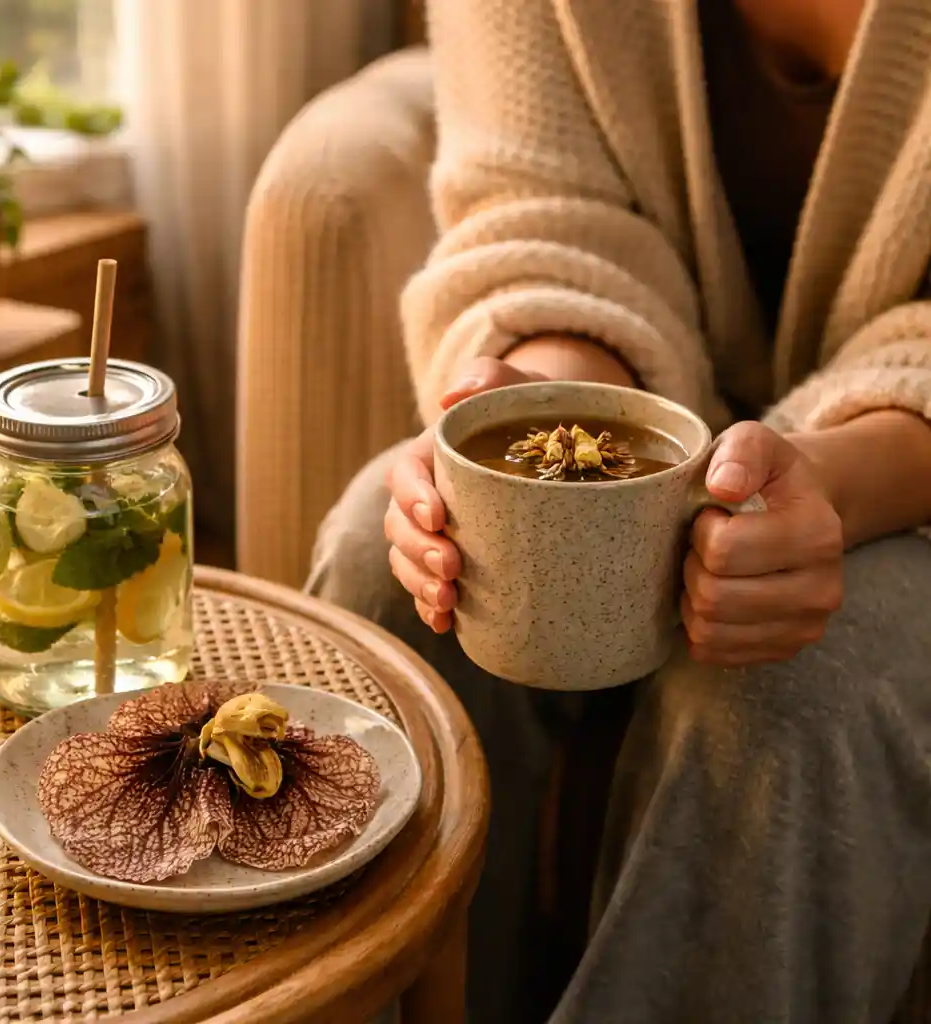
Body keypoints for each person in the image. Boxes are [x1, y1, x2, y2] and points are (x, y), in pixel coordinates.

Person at [307, 0, 931, 1020]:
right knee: (386, 568)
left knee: (786, 692)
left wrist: (838, 480)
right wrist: (546, 415)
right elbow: (541, 210)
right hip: (661, 403)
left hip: (908, 460)